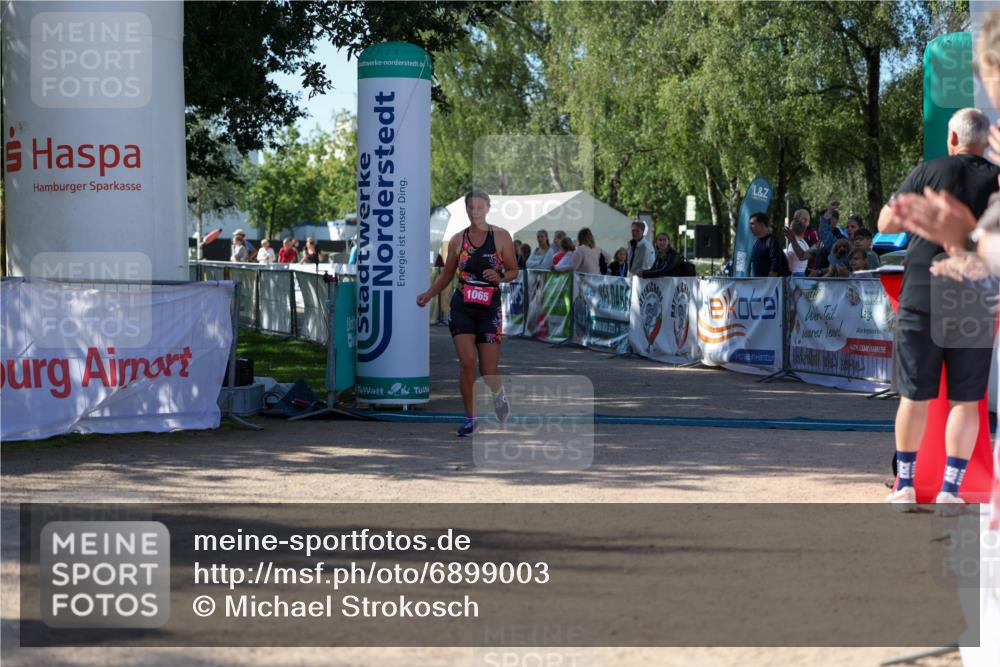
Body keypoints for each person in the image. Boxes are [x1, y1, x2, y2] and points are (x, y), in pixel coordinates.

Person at [877, 106, 1000, 511]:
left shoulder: (928, 171)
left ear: (952, 139)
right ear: (985, 142)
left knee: (914, 395)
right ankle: (951, 490)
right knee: (966, 400)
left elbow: (885, 225)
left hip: (923, 295)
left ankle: (906, 485)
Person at [416, 190, 519, 437]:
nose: (475, 212)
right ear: (467, 209)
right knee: (467, 363)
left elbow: (514, 270)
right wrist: (429, 294)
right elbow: (447, 274)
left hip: (489, 310)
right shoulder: (457, 240)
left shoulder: (501, 237)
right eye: (471, 208)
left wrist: (501, 276)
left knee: (488, 370)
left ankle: (498, 394)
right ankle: (471, 419)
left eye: (480, 208)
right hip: (462, 307)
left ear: (487, 208)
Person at [748, 213, 785, 277]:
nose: (750, 227)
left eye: (752, 224)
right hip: (756, 285)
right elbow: (753, 264)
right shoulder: (756, 242)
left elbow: (775, 265)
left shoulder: (772, 241)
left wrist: (768, 284)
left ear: (762, 225)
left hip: (767, 285)